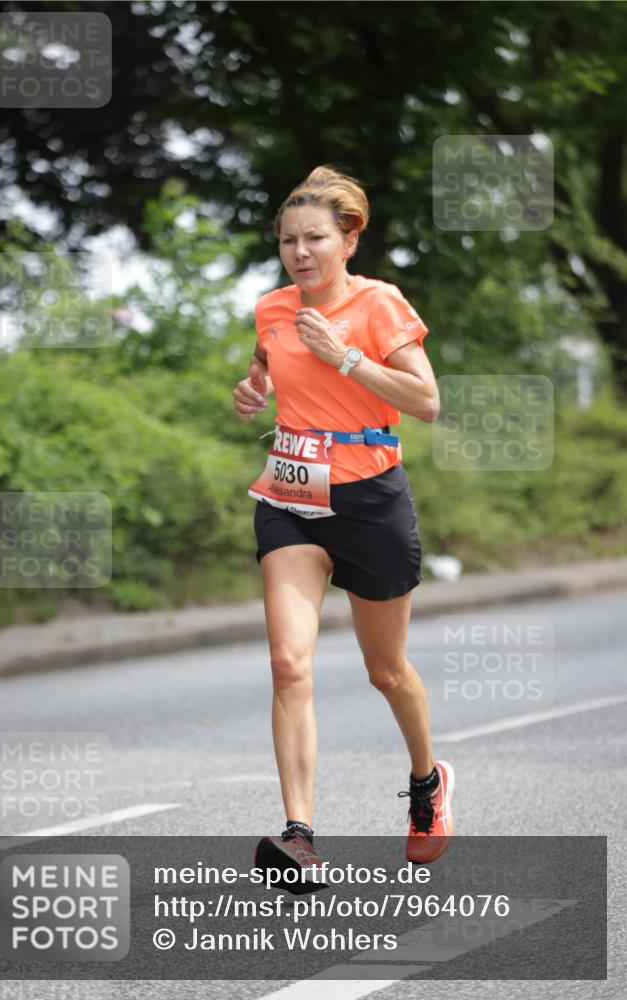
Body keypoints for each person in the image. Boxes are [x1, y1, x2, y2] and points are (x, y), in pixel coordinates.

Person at [232, 165, 454, 880]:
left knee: (384, 671)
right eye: (288, 241)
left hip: (369, 500)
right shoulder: (272, 308)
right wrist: (254, 387)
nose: (300, 253)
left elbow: (425, 402)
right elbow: (269, 360)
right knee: (286, 664)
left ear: (349, 239)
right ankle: (299, 834)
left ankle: (426, 782)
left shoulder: (378, 305)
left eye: (315, 239)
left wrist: (347, 357)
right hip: (292, 494)